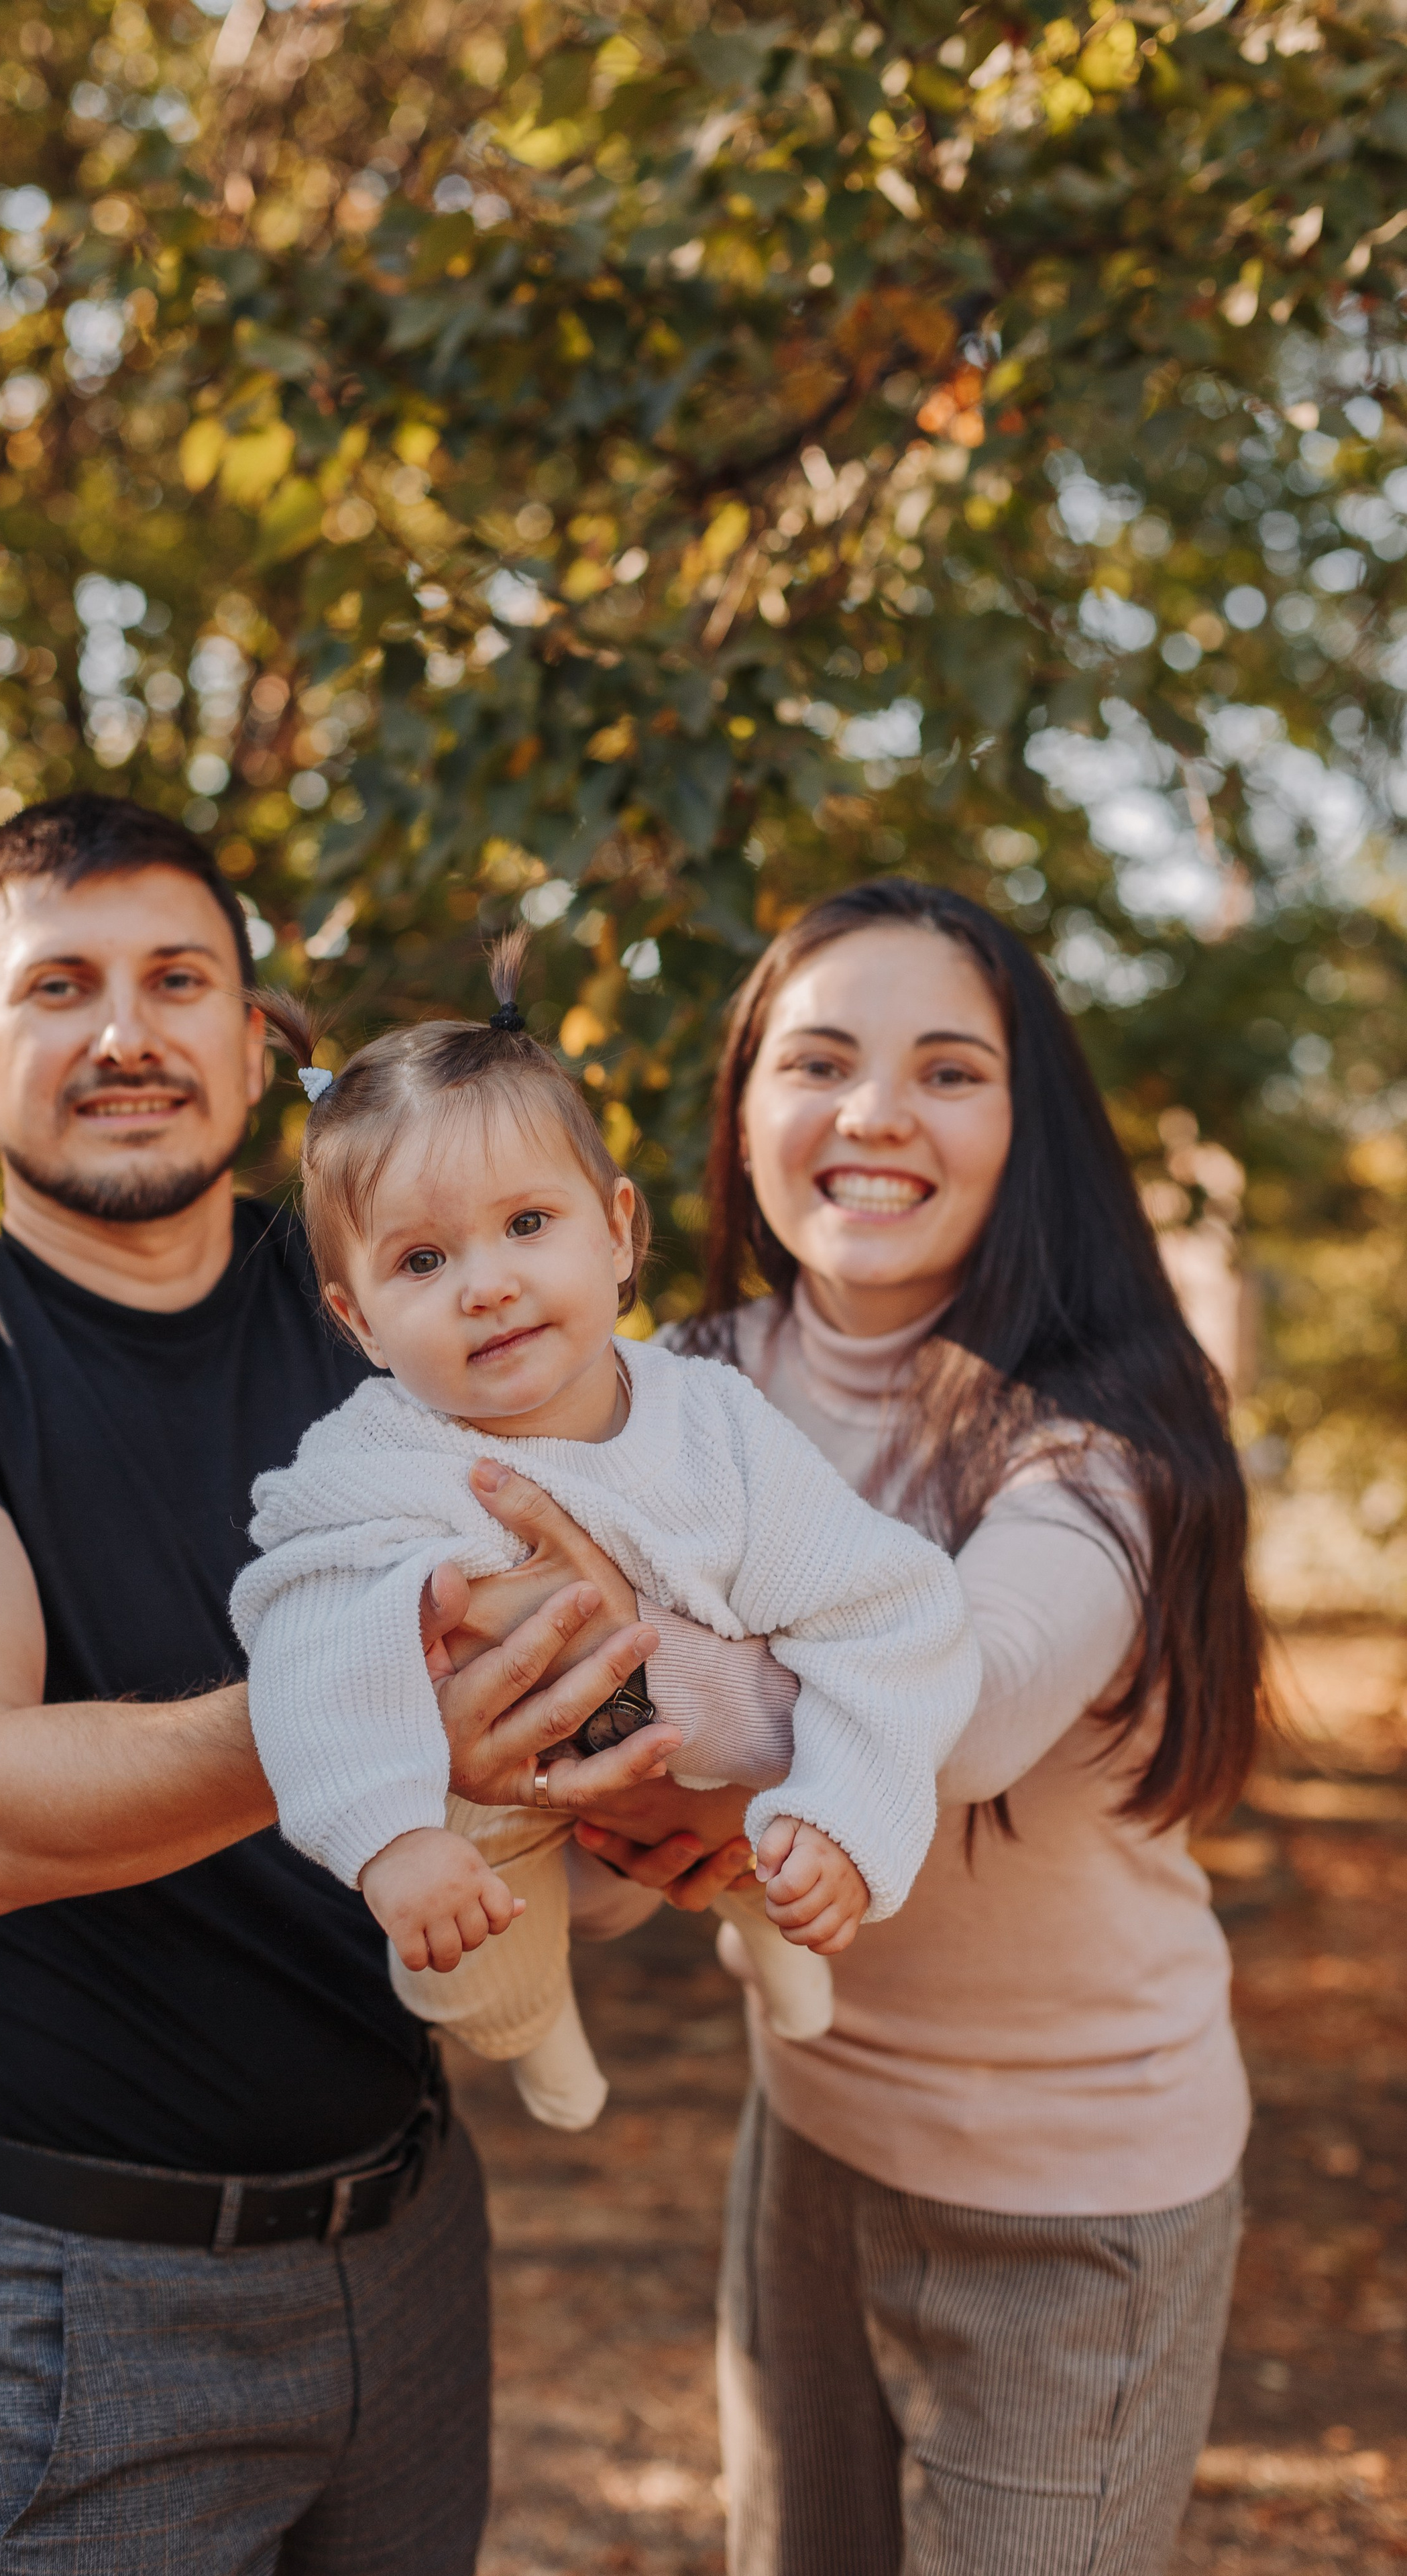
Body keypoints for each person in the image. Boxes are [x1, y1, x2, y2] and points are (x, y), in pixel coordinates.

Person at [0, 794, 689, 2576]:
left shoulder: (411, 1301)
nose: (128, 1033)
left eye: (179, 979)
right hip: (85, 2299)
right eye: (63, 990)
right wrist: (376, 1708)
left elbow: (616, 1591)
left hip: (413, 2238)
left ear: (259, 1048)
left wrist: (666, 1793)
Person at [599, 875, 1258, 2576]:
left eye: (949, 1071)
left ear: (1023, 1128)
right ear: (742, 1106)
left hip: (1079, 2194)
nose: (874, 1112)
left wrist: (687, 1691)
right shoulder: (673, 1390)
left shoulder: (1101, 1435)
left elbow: (950, 1717)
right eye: (816, 1061)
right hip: (809, 2125)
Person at [230, 951, 979, 2130]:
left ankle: (774, 1923)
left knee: (784, 1796)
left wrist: (841, 1808)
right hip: (508, 1784)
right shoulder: (376, 1469)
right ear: (357, 1319)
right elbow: (311, 1649)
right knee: (471, 1967)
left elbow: (882, 1607)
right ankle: (537, 2031)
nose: (488, 1285)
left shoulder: (711, 1418)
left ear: (619, 1232)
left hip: (726, 1741)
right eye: (423, 1261)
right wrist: (385, 1841)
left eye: (528, 1222)